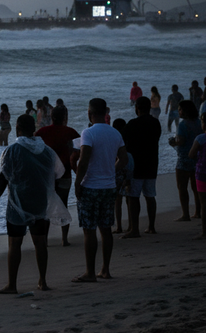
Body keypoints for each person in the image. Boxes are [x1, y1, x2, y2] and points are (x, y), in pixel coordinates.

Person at [0, 114, 69, 294]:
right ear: (33, 128)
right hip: (40, 202)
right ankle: (42, 281)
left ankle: (12, 285)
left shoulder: (12, 150)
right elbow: (57, 174)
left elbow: (3, 178)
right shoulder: (47, 151)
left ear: (17, 128)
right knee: (40, 242)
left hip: (18, 203)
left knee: (14, 244)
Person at [73, 98, 127, 282]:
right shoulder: (115, 133)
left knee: (89, 231)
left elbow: (84, 160)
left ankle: (90, 272)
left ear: (90, 113)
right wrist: (112, 171)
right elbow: (124, 159)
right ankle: (105, 269)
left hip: (91, 187)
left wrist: (77, 183)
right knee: (106, 229)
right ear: (105, 113)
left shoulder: (88, 133)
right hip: (109, 187)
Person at [35, 106, 80, 246]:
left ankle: (45, 240)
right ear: (65, 117)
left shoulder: (41, 132)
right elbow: (78, 153)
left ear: (51, 117)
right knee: (63, 206)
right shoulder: (71, 132)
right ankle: (64, 239)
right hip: (65, 174)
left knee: (46, 208)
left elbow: (36, 153)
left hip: (47, 177)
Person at [122, 97, 163, 238]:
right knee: (150, 196)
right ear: (149, 108)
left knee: (133, 197)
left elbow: (125, 144)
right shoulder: (155, 123)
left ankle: (134, 229)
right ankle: (151, 226)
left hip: (136, 165)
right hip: (151, 164)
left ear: (137, 108)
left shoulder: (132, 124)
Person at [169, 101, 202, 221]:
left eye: (180, 109)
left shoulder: (183, 125)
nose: (179, 111)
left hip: (184, 158)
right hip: (197, 157)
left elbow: (181, 141)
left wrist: (173, 142)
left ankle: (186, 214)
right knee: (196, 187)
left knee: (182, 187)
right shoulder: (199, 123)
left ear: (185, 111)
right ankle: (198, 211)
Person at [189, 111, 206, 239]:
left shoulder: (201, 138)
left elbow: (191, 154)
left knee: (205, 204)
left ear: (204, 125)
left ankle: (205, 232)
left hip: (202, 173)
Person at [111, 119, 135, 234]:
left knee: (117, 201)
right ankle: (131, 225)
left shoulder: (115, 138)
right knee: (129, 200)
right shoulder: (128, 138)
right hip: (128, 171)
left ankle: (119, 226)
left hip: (118, 172)